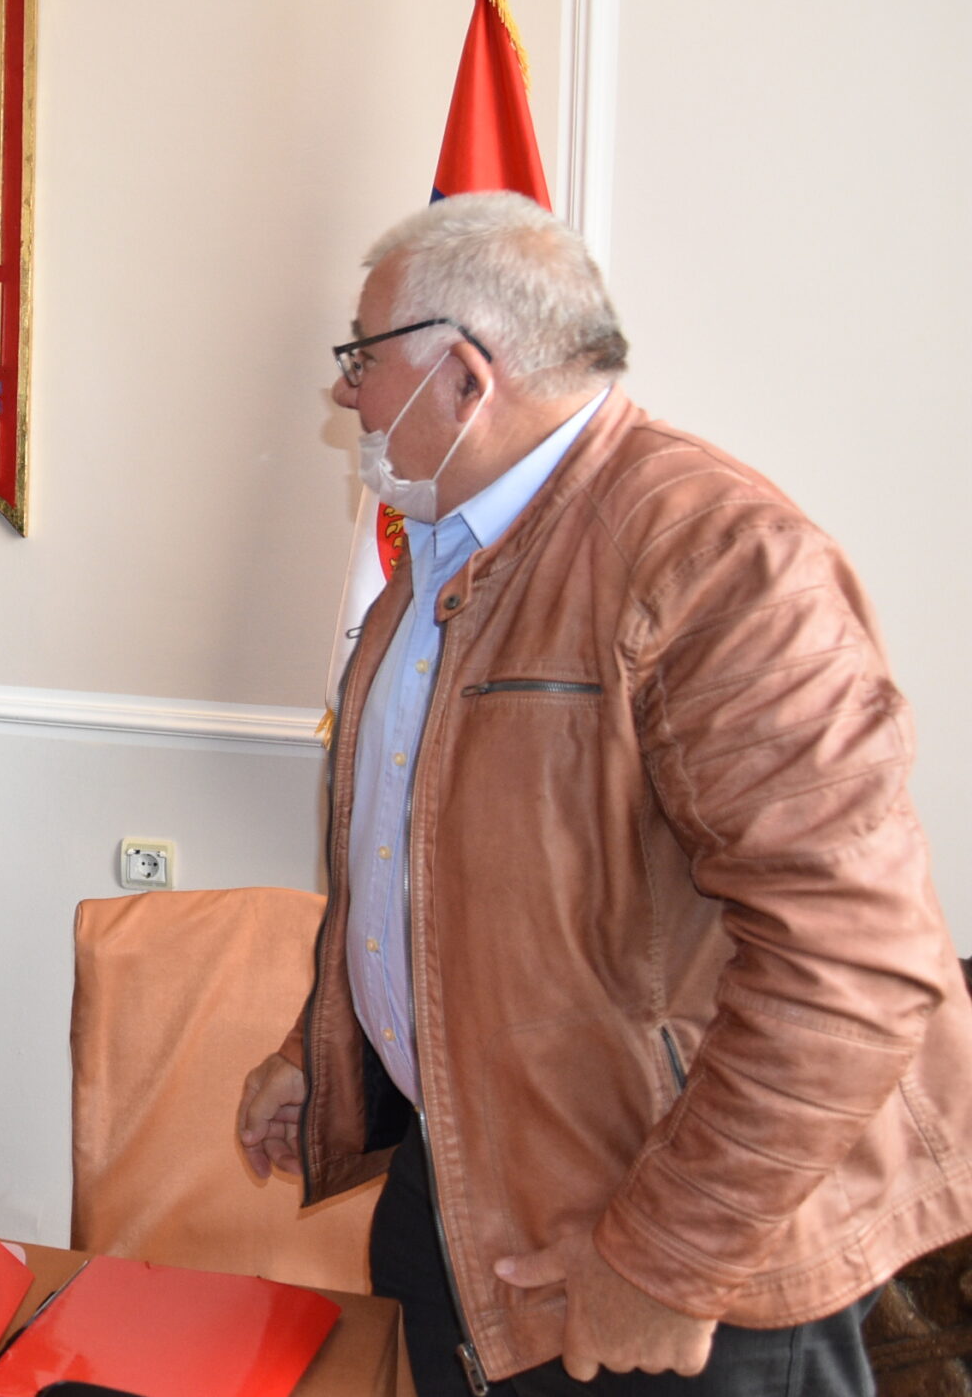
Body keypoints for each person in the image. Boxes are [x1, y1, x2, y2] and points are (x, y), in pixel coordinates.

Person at [235, 193, 972, 1397]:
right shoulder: (440, 553)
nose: (344, 390)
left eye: (361, 358)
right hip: (469, 1199)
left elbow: (855, 963)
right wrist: (330, 1052)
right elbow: (433, 866)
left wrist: (670, 1258)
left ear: (464, 376)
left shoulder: (717, 557)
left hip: (659, 1254)